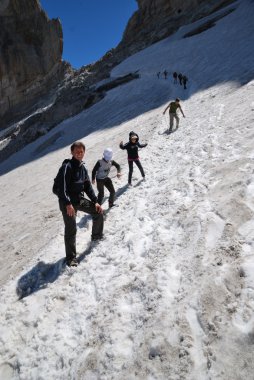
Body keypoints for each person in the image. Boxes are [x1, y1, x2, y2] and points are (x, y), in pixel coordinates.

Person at [56, 141, 104, 267]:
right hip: (67, 203)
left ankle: (96, 237)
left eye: (81, 151)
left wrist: (96, 202)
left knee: (98, 211)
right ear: (72, 152)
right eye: (76, 152)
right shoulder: (67, 167)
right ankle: (71, 258)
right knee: (71, 229)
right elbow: (62, 188)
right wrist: (67, 204)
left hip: (78, 199)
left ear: (84, 152)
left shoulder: (82, 167)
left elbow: (88, 186)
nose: (79, 154)